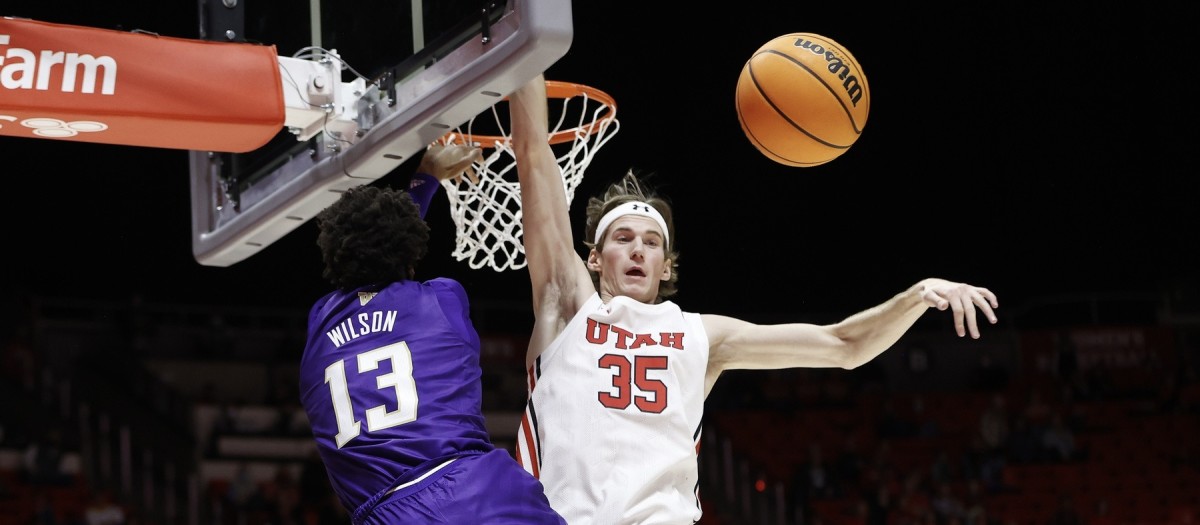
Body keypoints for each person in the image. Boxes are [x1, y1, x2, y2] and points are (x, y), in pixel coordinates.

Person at [508, 74, 1001, 524]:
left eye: (651, 242)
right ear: (594, 259)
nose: (638, 248)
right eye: (622, 239)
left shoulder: (701, 335)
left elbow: (843, 345)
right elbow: (533, 156)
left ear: (667, 265)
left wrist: (916, 296)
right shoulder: (569, 305)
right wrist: (527, 43)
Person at [298, 143, 565, 524]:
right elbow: (392, 253)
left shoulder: (319, 326)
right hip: (479, 489)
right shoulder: (442, 298)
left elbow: (377, 255)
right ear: (409, 247)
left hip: (387, 512)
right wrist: (426, 177)